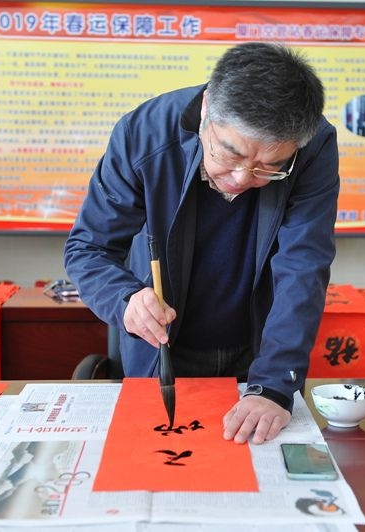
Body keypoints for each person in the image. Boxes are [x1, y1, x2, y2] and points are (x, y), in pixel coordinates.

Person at [64, 42, 339, 445]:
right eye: (230, 154)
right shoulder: (144, 133)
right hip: (163, 347)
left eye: (269, 167)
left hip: (260, 344)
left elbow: (304, 264)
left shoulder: (313, 147)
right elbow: (88, 248)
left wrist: (274, 385)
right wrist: (124, 299)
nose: (243, 178)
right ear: (207, 107)